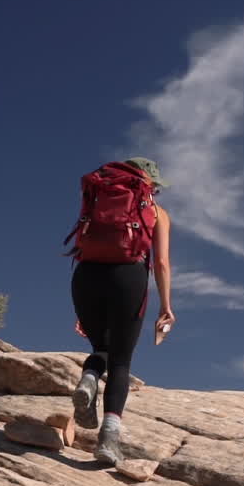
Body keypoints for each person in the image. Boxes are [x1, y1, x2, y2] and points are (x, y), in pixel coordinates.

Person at [68, 157, 175, 464]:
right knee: (121, 361)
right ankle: (108, 440)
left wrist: (87, 308)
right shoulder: (156, 213)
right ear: (150, 184)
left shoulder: (97, 199)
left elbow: (83, 243)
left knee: (101, 345)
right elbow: (162, 264)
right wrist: (166, 307)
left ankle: (89, 379)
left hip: (85, 276)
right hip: (128, 277)